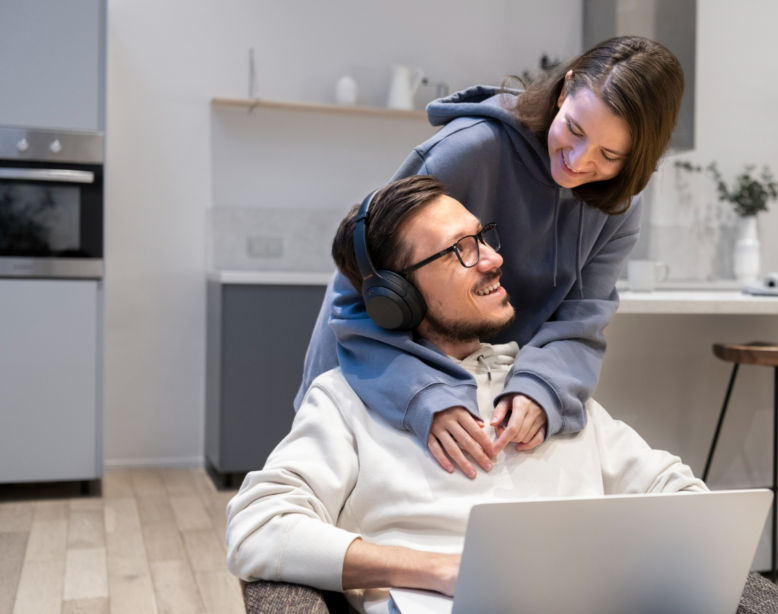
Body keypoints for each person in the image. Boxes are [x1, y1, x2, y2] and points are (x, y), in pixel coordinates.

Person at [227, 176, 708, 614]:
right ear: (397, 296)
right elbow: (258, 529)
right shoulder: (345, 402)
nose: (494, 259)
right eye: (461, 250)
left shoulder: (543, 390)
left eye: (482, 238)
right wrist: (437, 570)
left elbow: (687, 501)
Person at [296, 36, 686, 476]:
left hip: (485, 409)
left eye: (609, 154)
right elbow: (361, 293)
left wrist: (543, 388)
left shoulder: (619, 207)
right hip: (389, 387)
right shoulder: (466, 153)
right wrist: (422, 394)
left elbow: (582, 318)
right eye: (574, 129)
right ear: (564, 90)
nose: (578, 161)